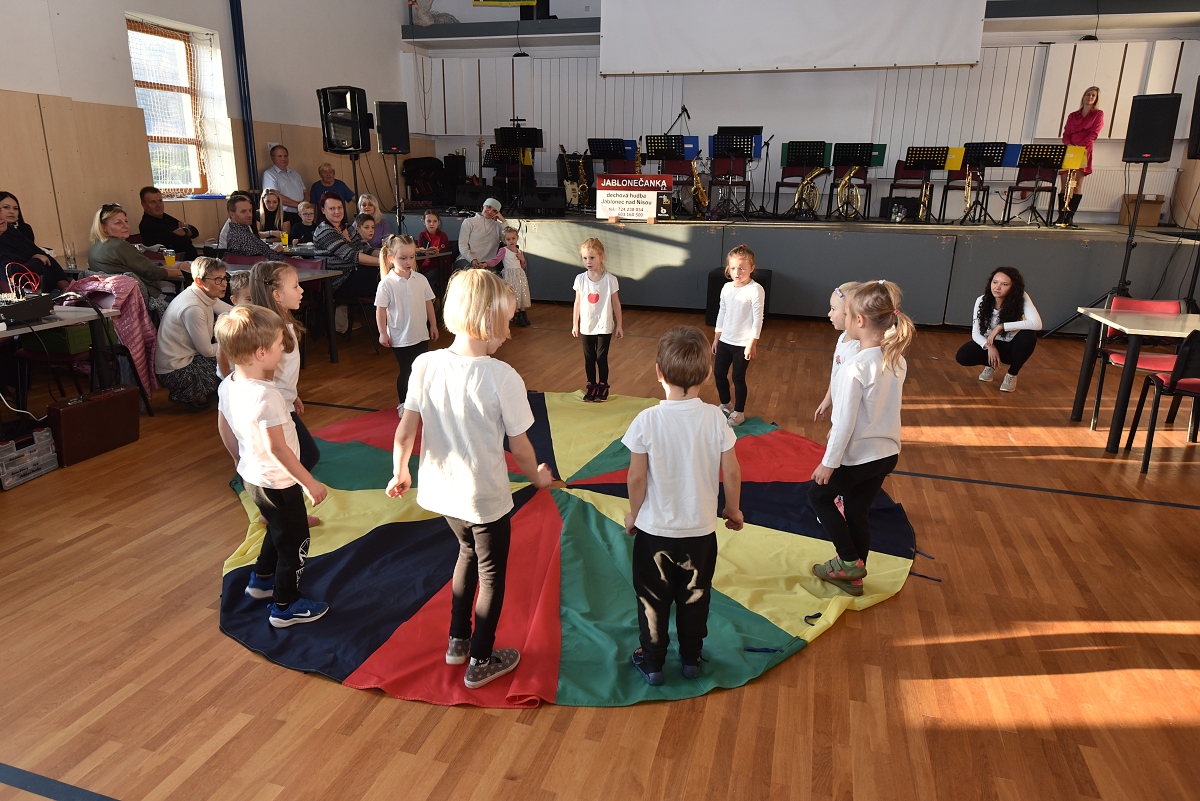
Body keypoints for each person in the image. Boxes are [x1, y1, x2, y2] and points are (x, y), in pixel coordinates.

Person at [386, 269, 553, 690]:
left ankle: (457, 641)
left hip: (442, 491)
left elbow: (405, 430)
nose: (509, 334)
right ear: (487, 319)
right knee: (492, 575)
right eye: (507, 323)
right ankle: (480, 659)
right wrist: (536, 477)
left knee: (466, 552)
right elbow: (520, 447)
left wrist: (400, 469)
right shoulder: (502, 377)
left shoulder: (425, 364)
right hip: (484, 498)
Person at [622, 325, 743, 685]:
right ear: (707, 374)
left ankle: (653, 663)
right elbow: (732, 471)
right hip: (700, 535)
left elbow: (636, 478)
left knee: (652, 600)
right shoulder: (716, 418)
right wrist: (732, 509)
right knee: (695, 597)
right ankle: (691, 658)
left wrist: (634, 514)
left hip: (654, 536)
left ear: (658, 372)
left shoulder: (647, 420)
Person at [215, 304, 329, 628]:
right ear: (261, 353)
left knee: (279, 528)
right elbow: (277, 447)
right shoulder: (266, 396)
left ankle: (262, 579)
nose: (284, 349)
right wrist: (308, 482)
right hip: (279, 482)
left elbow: (223, 426)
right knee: (295, 541)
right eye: (280, 344)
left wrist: (237, 459)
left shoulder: (229, 383)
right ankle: (285, 605)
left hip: (253, 478)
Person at [810, 280, 915, 598]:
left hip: (861, 455)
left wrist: (829, 462)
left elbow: (844, 423)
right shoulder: (896, 358)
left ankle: (848, 562)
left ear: (858, 320)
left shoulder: (855, 366)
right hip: (887, 453)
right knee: (857, 511)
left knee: (818, 496)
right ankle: (854, 577)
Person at [248, 260, 321, 480]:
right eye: (296, 286)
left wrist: (292, 394)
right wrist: (281, 399)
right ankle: (280, 493)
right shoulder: (271, 332)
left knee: (301, 454)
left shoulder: (282, 324)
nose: (301, 290)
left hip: (283, 402)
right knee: (305, 456)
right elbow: (262, 374)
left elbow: (282, 371)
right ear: (277, 295)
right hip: (275, 407)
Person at [154, 256, 231, 411]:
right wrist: (236, 342)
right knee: (232, 359)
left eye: (224, 278)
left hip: (187, 359)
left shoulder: (203, 294)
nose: (224, 284)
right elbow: (207, 351)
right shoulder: (193, 307)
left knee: (229, 358)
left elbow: (232, 311)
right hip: (175, 370)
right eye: (218, 280)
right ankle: (187, 393)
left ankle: (204, 391)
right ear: (199, 281)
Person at [955, 266, 1041, 392]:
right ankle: (991, 365)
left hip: (1012, 347)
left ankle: (1012, 374)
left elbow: (1037, 324)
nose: (997, 287)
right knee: (963, 356)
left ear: (1013, 287)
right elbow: (975, 333)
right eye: (995, 282)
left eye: (1004, 284)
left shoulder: (1021, 298)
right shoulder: (982, 300)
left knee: (1029, 335)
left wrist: (1002, 326)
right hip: (992, 343)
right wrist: (989, 346)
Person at [375, 235, 438, 407]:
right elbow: (380, 310)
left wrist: (433, 325)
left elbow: (428, 303)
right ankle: (404, 404)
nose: (408, 262)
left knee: (421, 370)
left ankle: (421, 402)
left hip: (420, 334)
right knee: (407, 370)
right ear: (391, 258)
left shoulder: (421, 279)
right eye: (403, 258)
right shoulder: (387, 284)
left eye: (411, 257)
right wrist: (382, 333)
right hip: (400, 336)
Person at [87, 203, 185, 311]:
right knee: (192, 304)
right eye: (118, 223)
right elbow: (154, 273)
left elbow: (142, 269)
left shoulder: (94, 247)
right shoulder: (121, 246)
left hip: (115, 304)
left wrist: (173, 268)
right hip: (147, 301)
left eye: (126, 221)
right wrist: (183, 271)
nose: (125, 226)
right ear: (103, 227)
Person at [711, 244, 765, 427]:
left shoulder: (755, 289)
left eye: (742, 268)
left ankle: (739, 412)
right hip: (725, 340)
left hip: (742, 344)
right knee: (719, 373)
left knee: (738, 377)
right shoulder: (726, 288)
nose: (737, 272)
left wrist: (752, 343)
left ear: (752, 268)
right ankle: (726, 404)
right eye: (733, 268)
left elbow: (758, 318)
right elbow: (722, 312)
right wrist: (717, 337)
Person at [571, 237, 623, 402]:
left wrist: (619, 325)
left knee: (601, 358)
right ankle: (591, 386)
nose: (588, 261)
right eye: (585, 258)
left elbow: (616, 303)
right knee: (589, 358)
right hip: (587, 326)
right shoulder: (580, 279)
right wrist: (575, 324)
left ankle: (603, 386)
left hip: (604, 326)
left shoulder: (610, 280)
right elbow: (577, 302)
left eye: (592, 257)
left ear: (602, 257)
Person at [312, 192, 379, 308]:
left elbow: (368, 250)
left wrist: (388, 255)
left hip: (356, 274)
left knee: (391, 275)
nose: (337, 211)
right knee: (383, 275)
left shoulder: (349, 228)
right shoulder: (324, 231)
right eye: (332, 208)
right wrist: (385, 262)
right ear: (323, 210)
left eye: (340, 207)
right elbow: (352, 256)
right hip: (339, 282)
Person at [0, 191, 69, 291]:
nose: (2, 217)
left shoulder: (10, 231)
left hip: (51, 290)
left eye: (0, 211)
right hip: (30, 296)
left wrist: (64, 286)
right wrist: (38, 261)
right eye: (6, 207)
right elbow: (12, 274)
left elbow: (44, 255)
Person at [815, 282, 862, 421]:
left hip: (846, 415)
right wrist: (828, 398)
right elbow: (836, 374)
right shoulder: (843, 337)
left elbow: (851, 397)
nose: (829, 313)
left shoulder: (855, 351)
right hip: (839, 409)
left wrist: (838, 425)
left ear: (850, 313)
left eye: (833, 309)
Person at [1057, 86, 1103, 226]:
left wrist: (1080, 146)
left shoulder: (1098, 114)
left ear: (1096, 99)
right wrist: (1070, 144)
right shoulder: (1073, 115)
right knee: (1064, 185)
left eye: (1093, 95)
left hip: (1084, 150)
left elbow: (1094, 133)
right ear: (1083, 96)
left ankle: (1070, 217)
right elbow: (1066, 133)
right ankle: (1061, 217)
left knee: (1076, 185)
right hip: (1070, 150)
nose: (1090, 97)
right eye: (1088, 94)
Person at [484, 227, 531, 326]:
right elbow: (496, 261)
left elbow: (523, 266)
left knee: (521, 292)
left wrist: (522, 259)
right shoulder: (504, 250)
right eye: (508, 239)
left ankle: (523, 312)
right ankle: (517, 314)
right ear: (504, 240)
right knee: (513, 293)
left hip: (519, 275)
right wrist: (486, 264)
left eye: (513, 238)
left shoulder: (519, 251)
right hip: (510, 275)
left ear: (517, 238)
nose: (511, 241)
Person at [138, 186, 199, 260]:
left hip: (192, 260)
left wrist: (184, 230)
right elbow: (184, 241)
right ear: (144, 205)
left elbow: (195, 232)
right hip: (176, 263)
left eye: (160, 201)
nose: (158, 205)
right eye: (153, 202)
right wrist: (186, 234)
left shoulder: (165, 217)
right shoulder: (147, 225)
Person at [456, 198, 506, 273]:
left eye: (494, 211)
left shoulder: (498, 226)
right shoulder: (469, 222)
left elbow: (509, 239)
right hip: (466, 259)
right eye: (489, 207)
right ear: (484, 205)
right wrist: (472, 259)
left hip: (487, 264)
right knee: (472, 275)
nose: (490, 211)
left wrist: (503, 221)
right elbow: (462, 245)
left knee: (488, 278)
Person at [261, 144, 305, 225]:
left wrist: (305, 205)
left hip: (302, 213)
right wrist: (299, 205)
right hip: (285, 215)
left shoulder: (295, 174)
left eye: (285, 156)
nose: (283, 158)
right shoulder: (269, 174)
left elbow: (305, 192)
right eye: (280, 156)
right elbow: (275, 196)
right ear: (272, 158)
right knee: (287, 234)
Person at [416, 209, 451, 295]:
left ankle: (431, 301)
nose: (432, 224)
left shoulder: (442, 235)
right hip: (424, 265)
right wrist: (425, 251)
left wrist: (437, 251)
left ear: (438, 223)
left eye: (434, 221)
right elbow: (419, 249)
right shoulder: (421, 235)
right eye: (429, 221)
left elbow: (444, 251)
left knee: (425, 278)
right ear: (424, 222)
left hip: (439, 265)